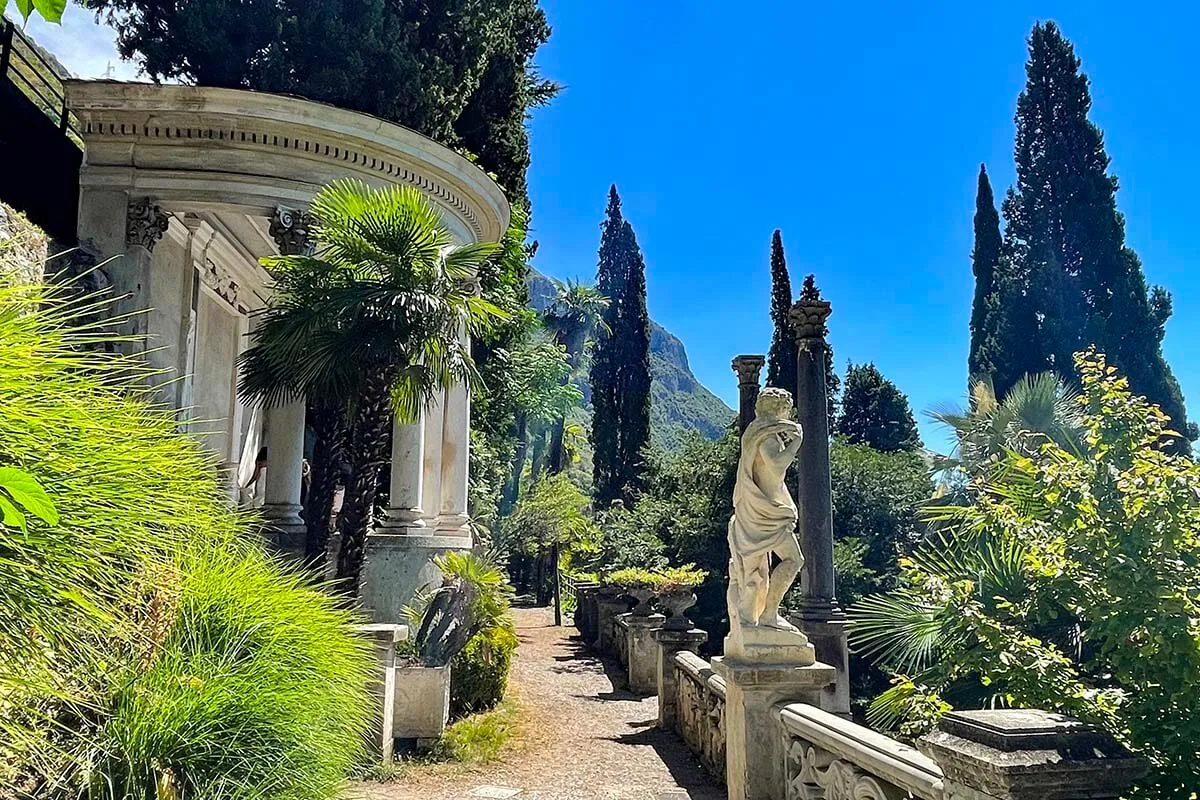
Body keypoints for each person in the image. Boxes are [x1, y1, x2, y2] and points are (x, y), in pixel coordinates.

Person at [727, 387, 805, 633]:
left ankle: (761, 615)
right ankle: (769, 613)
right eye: (787, 409)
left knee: (754, 571)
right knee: (793, 560)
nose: (789, 414)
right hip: (764, 515)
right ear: (779, 409)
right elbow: (776, 464)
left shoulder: (754, 432)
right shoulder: (767, 436)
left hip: (759, 511)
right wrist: (796, 443)